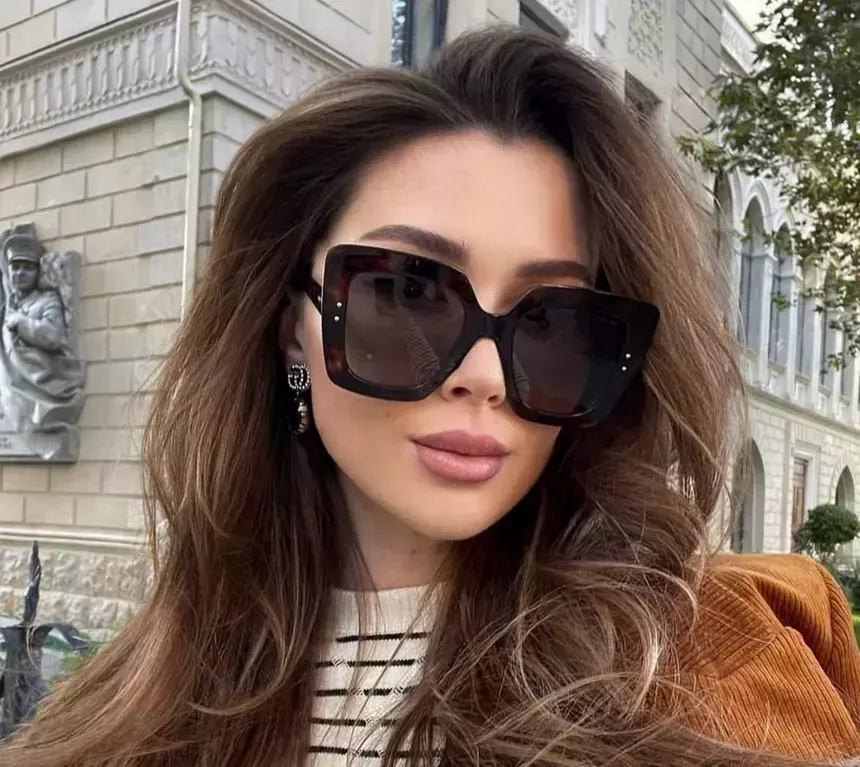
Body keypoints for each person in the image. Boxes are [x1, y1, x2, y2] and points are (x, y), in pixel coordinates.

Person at [3, 27, 858, 767]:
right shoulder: (131, 695)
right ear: (292, 327)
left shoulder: (711, 662)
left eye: (551, 319)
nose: (485, 375)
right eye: (409, 292)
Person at [0, 232, 84, 459]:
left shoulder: (47, 300)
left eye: (27, 268)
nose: (19, 273)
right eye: (15, 267)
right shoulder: (8, 304)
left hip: (39, 384)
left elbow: (53, 336)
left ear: (38, 272)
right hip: (12, 384)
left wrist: (21, 323)